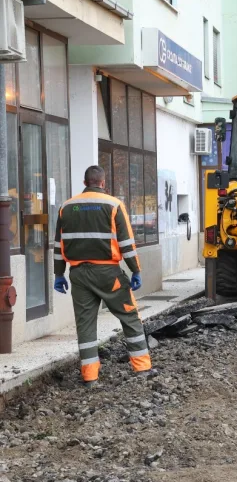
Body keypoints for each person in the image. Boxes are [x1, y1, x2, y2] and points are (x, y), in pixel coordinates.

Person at [53, 165, 152, 387]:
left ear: (84, 182)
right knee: (130, 317)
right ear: (103, 183)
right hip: (109, 274)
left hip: (78, 274)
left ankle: (90, 377)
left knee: (85, 324)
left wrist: (59, 274)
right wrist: (136, 269)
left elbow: (58, 245)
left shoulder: (66, 208)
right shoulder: (114, 205)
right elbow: (127, 244)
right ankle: (142, 368)